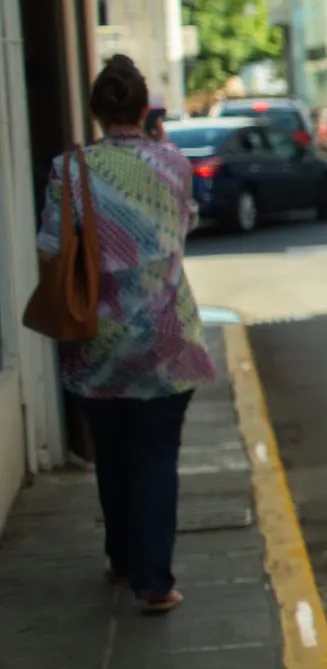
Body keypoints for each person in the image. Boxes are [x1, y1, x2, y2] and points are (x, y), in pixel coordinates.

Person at [39, 56, 216, 613]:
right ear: (146, 108)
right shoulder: (172, 163)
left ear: (95, 110)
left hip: (98, 334)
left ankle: (120, 557)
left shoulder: (69, 170)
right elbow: (182, 228)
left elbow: (50, 247)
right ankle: (155, 581)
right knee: (158, 455)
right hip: (165, 330)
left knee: (111, 452)